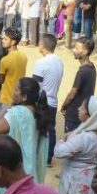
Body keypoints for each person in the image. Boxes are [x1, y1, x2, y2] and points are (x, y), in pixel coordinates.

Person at [0, 77, 50, 194]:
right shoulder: (38, 115)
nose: (13, 92)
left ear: (24, 97)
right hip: (31, 177)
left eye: (16, 89)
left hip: (14, 176)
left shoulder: (18, 113)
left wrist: (3, 113)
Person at [33, 33, 63, 166]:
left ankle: (39, 156)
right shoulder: (59, 61)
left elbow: (35, 85)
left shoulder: (41, 63)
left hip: (42, 101)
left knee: (38, 130)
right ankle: (49, 158)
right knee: (51, 129)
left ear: (42, 45)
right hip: (53, 100)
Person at [61, 37, 96, 132]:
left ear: (85, 52)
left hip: (74, 114)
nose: (74, 50)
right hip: (84, 111)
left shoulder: (82, 71)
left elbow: (72, 93)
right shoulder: (92, 67)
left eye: (77, 48)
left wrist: (64, 106)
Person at [0, 27, 27, 112]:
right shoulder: (24, 56)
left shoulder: (5, 60)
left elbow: (1, 80)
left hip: (7, 99)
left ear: (13, 42)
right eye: (3, 38)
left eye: (5, 39)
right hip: (18, 98)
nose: (2, 40)